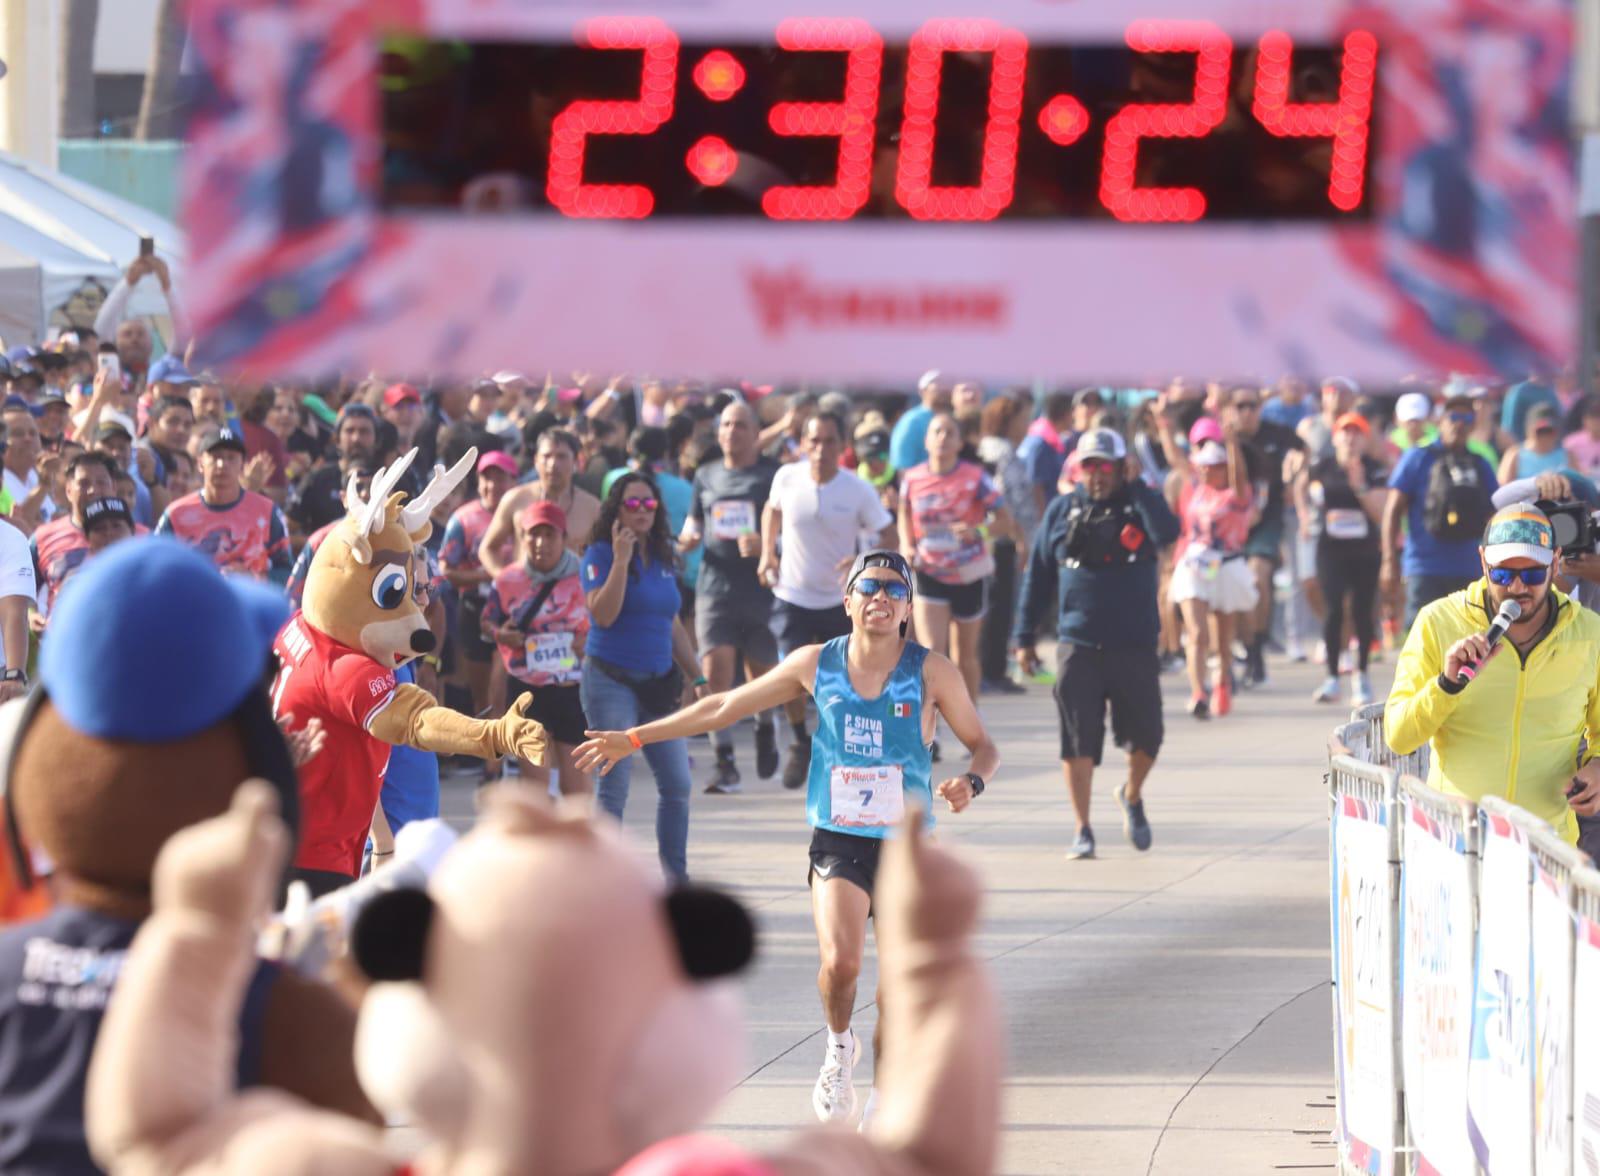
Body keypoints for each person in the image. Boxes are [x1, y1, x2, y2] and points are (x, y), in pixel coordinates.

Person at [574, 549, 998, 1126]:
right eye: (868, 586)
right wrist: (636, 737)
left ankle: (883, 1100)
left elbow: (984, 744)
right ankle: (838, 1047)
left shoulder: (931, 671)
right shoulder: (813, 664)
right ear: (846, 600)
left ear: (907, 609)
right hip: (839, 836)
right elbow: (723, 705)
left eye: (895, 590)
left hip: (907, 847)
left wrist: (971, 781)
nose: (880, 597)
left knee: (895, 989)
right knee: (842, 964)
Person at [1385, 503, 1600, 846]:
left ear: (1555, 561)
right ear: (1483, 561)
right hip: (1455, 840)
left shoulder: (1590, 631)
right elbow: (1398, 735)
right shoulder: (1437, 622)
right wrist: (1446, 685)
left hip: (1546, 849)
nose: (1517, 588)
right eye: (1502, 574)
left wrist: (1596, 767)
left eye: (1532, 574)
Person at [1013, 429, 1179, 859]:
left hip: (1134, 644)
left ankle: (1132, 793)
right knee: (1077, 739)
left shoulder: (1140, 506)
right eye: (1089, 465)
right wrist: (1024, 637)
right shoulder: (1062, 510)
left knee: (1148, 737)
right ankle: (1082, 828)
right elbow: (1038, 577)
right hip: (1078, 643)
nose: (1097, 475)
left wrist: (1139, 486)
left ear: (1122, 467)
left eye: (1106, 465)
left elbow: (1167, 532)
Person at [759, 412, 896, 789]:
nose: (821, 450)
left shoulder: (857, 489)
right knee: (790, 675)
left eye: (830, 442)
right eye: (814, 441)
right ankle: (799, 739)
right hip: (792, 594)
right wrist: (767, 553)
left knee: (844, 682)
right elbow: (772, 511)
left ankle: (839, 752)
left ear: (842, 446)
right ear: (803, 444)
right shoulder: (787, 477)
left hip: (840, 601)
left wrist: (861, 560)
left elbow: (889, 533)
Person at [579, 472, 705, 881]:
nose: (641, 511)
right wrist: (620, 561)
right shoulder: (598, 553)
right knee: (614, 784)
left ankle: (676, 881)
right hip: (609, 681)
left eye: (648, 504)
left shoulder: (665, 555)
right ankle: (604, 881)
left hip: (658, 684)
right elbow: (603, 614)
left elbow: (670, 622)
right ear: (616, 509)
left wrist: (698, 676)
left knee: (677, 784)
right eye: (632, 503)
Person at [678, 400, 782, 793]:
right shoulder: (705, 475)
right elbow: (694, 523)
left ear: (756, 433)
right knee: (715, 669)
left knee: (762, 674)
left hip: (760, 586)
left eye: (740, 425)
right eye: (725, 425)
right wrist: (687, 539)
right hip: (714, 587)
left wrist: (768, 544)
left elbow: (789, 526)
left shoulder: (773, 475)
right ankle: (724, 762)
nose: (731, 432)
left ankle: (765, 726)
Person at [898, 412, 1020, 702]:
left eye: (949, 433)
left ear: (959, 441)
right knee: (930, 653)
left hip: (968, 573)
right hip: (929, 571)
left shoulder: (976, 477)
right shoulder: (913, 478)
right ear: (926, 441)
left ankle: (971, 717)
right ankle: (931, 728)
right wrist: (907, 544)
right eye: (937, 432)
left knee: (965, 655)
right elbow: (904, 511)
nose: (942, 438)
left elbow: (1005, 521)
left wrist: (978, 530)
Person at [483, 501, 593, 796]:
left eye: (550, 535)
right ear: (522, 538)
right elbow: (487, 622)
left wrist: (591, 643)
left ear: (563, 538)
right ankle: (541, 840)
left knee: (578, 794)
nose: (541, 543)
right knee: (536, 793)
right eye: (534, 535)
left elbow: (609, 622)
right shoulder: (507, 580)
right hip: (527, 690)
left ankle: (577, 842)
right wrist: (501, 634)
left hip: (574, 688)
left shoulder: (586, 577)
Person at [1383, 386, 1499, 630]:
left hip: (1468, 567)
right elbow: (1392, 510)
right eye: (1453, 417)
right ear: (1440, 421)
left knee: (1469, 646)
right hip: (1425, 567)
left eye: (1467, 418)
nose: (1459, 424)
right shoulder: (1418, 457)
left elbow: (1495, 515)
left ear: (1473, 424)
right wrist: (1389, 560)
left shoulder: (1480, 463)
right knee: (1422, 643)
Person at [1162, 425, 1257, 720]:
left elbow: (1239, 475)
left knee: (1222, 637)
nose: (1206, 471)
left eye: (1213, 467)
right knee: (1198, 633)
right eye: (1202, 466)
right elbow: (1177, 460)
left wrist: (1231, 444)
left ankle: (1222, 683)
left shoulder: (1236, 495)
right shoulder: (1195, 490)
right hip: (1194, 564)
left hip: (1225, 566)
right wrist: (1165, 425)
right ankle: (1198, 692)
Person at [1225, 385, 1305, 686]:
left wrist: (1293, 481)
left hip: (1266, 519)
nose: (1246, 412)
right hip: (1229, 521)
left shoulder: (1276, 432)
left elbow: (1303, 451)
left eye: (1252, 405)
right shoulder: (1221, 439)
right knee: (1233, 588)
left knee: (1257, 578)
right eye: (1240, 405)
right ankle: (1239, 650)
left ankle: (1256, 651)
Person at [1306, 413, 1387, 704]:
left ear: (1365, 439)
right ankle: (1332, 677)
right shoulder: (1322, 467)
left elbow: (1380, 512)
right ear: (1336, 437)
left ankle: (1362, 676)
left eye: (1357, 433)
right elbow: (1307, 494)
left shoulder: (1374, 469)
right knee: (1333, 610)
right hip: (1331, 549)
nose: (1350, 438)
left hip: (1365, 550)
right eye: (1345, 432)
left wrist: (1360, 487)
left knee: (1363, 611)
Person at [440, 451, 520, 719]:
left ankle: (504, 754)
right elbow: (446, 569)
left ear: (514, 481)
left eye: (501, 479)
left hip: (514, 611)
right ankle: (489, 752)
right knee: (481, 691)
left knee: (504, 680)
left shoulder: (524, 516)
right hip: (474, 608)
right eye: (487, 478)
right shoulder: (463, 519)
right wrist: (488, 575)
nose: (493, 486)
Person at [155, 426, 291, 582]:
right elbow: (156, 565)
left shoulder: (267, 511)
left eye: (231, 457)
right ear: (200, 463)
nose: (222, 464)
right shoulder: (176, 514)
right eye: (215, 457)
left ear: (242, 464)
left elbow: (286, 572)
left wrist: (253, 577)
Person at [480, 428, 600, 570]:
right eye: (547, 456)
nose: (553, 464)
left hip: (573, 589)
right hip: (525, 589)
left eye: (561, 457)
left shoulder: (592, 507)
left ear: (576, 461)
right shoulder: (515, 499)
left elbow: (604, 557)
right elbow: (487, 549)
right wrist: (505, 580)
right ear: (536, 460)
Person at [31, 451, 116, 611]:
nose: (93, 490)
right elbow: (21, 592)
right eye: (84, 483)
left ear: (113, 488)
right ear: (68, 490)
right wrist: (31, 615)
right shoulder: (42, 537)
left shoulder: (140, 537)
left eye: (101, 482)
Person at [290, 403, 380, 535]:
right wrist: (322, 542)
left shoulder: (389, 479)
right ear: (337, 439)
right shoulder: (317, 479)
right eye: (350, 431)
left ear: (376, 439)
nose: (356, 438)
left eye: (364, 431)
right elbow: (287, 532)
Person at [1016, 390, 1074, 521]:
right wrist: (1044, 523)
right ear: (1065, 414)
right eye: (1072, 412)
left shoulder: (1045, 438)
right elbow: (1036, 487)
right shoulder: (1041, 443)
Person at [889, 371, 950, 471]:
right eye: (937, 383)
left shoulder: (951, 418)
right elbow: (901, 465)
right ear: (923, 391)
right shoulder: (912, 421)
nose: (943, 388)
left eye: (945, 383)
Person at [1498, 403, 1567, 484]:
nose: (1544, 437)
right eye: (1540, 432)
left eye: (1548, 431)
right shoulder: (1515, 455)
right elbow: (1502, 488)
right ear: (1529, 429)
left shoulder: (1567, 456)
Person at [1564, 396, 1600, 480]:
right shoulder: (1571, 442)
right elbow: (1570, 469)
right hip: (1582, 484)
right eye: (1593, 417)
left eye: (1599, 417)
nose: (1596, 421)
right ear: (1584, 419)